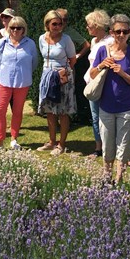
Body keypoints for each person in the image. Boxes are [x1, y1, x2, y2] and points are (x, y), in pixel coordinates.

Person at [89, 14, 130, 183]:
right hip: (106, 107)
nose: (121, 35)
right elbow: (92, 75)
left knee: (124, 145)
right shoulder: (102, 51)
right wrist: (101, 65)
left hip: (127, 108)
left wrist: (122, 73)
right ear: (112, 32)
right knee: (107, 145)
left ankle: (119, 178)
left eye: (125, 31)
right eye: (118, 31)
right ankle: (107, 176)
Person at [35, 11, 78, 155]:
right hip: (47, 77)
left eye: (60, 24)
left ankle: (62, 144)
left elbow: (72, 59)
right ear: (47, 24)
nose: (58, 26)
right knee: (50, 111)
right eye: (54, 24)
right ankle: (52, 141)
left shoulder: (66, 39)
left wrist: (63, 72)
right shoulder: (42, 38)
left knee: (63, 111)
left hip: (62, 78)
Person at [0, 15, 38, 149]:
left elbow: (34, 62)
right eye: (12, 27)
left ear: (24, 29)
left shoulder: (30, 44)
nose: (15, 30)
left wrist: (24, 72)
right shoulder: (3, 43)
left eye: (19, 28)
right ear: (9, 29)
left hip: (22, 83)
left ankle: (14, 139)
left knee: (17, 111)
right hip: (5, 81)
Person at [80, 10, 111, 157]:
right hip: (92, 82)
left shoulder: (110, 41)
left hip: (104, 83)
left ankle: (110, 146)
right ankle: (99, 147)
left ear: (97, 25)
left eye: (89, 25)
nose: (87, 27)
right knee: (95, 116)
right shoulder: (94, 41)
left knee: (107, 116)